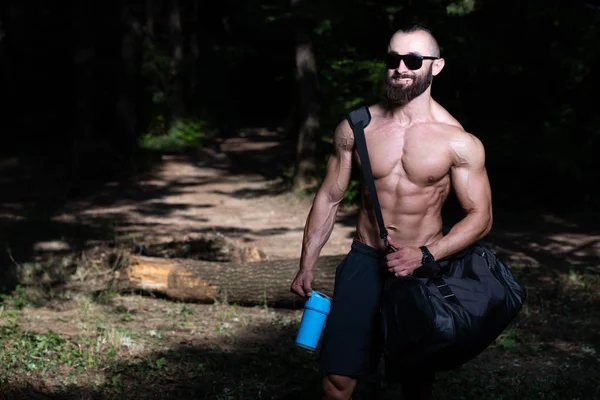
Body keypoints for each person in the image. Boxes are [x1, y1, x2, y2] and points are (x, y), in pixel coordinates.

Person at [289, 24, 493, 400]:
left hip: (420, 270)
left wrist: (426, 254)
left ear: (437, 66)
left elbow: (481, 216)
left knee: (415, 384)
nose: (400, 67)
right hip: (365, 260)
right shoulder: (356, 127)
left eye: (413, 60)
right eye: (392, 59)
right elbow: (329, 197)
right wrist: (307, 263)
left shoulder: (457, 140)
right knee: (337, 379)